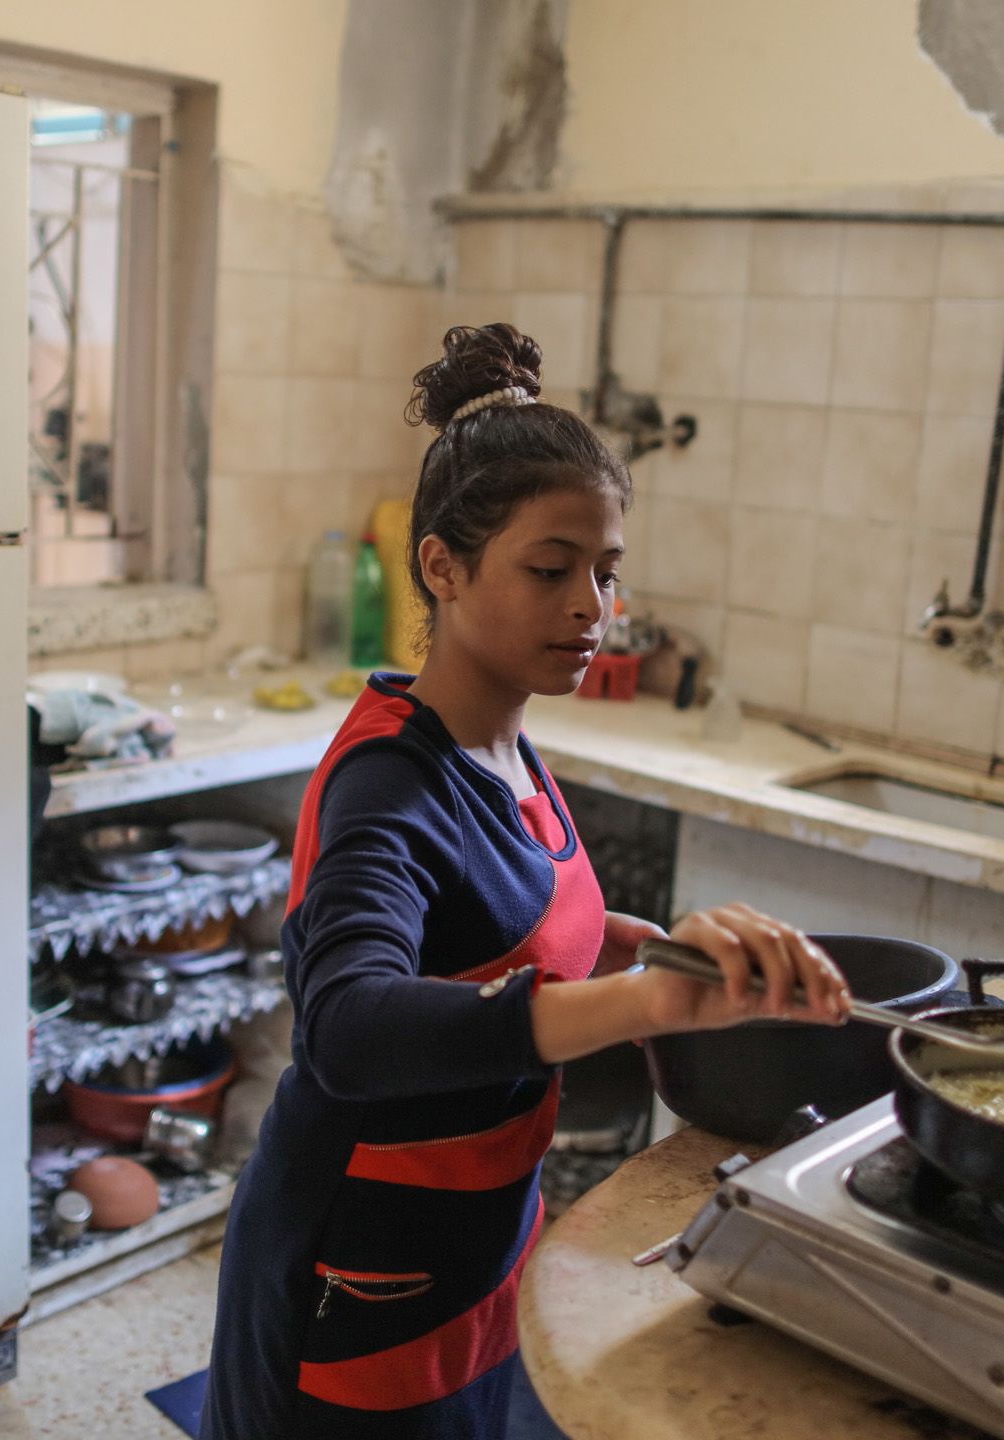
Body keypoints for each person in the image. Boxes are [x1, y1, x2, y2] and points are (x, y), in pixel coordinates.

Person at [199, 323, 851, 1439]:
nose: (592, 606)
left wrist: (674, 957)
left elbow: (517, 931)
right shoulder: (390, 784)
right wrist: (642, 1003)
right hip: (357, 1260)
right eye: (551, 570)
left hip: (474, 1236)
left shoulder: (503, 745)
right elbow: (347, 1024)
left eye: (606, 571)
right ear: (441, 567)